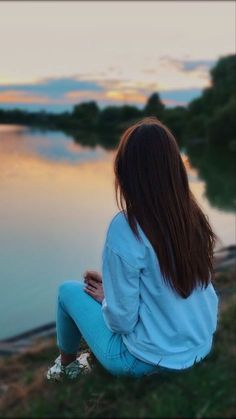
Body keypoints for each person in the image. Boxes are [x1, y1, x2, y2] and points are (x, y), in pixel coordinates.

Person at [46, 117, 219, 380]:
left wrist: (108, 299)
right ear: (175, 168)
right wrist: (114, 291)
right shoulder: (191, 217)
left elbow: (121, 322)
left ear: (126, 173)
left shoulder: (127, 227)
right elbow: (169, 285)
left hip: (144, 361)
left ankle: (67, 368)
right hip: (198, 348)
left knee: (66, 291)